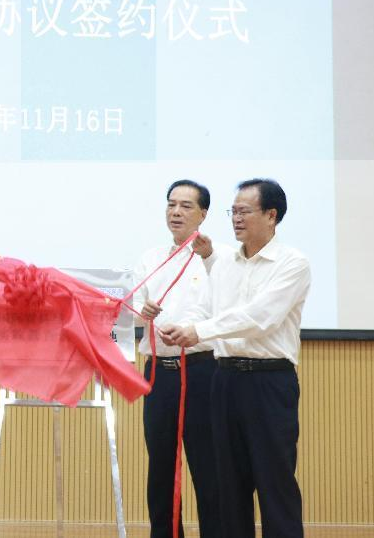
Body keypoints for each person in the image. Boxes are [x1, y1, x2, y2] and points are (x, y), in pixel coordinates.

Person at [160, 178, 311, 538]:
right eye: (234, 211)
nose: (236, 219)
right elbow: (212, 308)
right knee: (228, 486)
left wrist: (198, 331)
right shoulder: (225, 262)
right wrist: (179, 326)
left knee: (274, 483)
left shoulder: (292, 263)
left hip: (269, 381)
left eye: (245, 211)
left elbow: (260, 318)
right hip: (224, 380)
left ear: (271, 215)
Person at [133, 180, 221, 538]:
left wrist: (191, 330)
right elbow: (133, 311)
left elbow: (228, 310)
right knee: (161, 468)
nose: (176, 212)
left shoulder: (219, 259)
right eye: (171, 204)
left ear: (203, 214)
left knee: (208, 465)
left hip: (203, 371)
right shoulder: (150, 258)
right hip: (159, 373)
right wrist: (143, 311)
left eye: (186, 205)